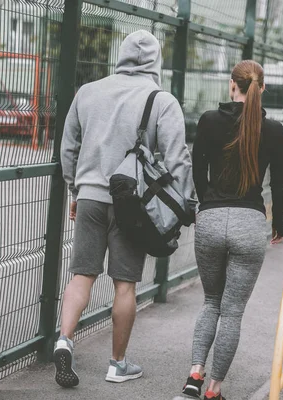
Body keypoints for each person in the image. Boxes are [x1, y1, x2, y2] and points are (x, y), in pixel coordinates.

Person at [55, 30, 194, 388]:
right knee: (125, 285)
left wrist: (76, 187)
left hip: (88, 197)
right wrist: (185, 204)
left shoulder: (88, 92)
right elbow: (177, 158)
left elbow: (68, 147)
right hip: (133, 205)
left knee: (81, 275)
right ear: (156, 61)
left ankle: (64, 339)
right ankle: (117, 364)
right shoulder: (161, 100)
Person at [181, 60, 283, 400]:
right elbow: (280, 184)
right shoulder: (274, 129)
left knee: (211, 301)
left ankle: (195, 374)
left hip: (211, 218)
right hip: (250, 223)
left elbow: (197, 170)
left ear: (232, 85)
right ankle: (214, 391)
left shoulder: (209, 121)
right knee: (232, 311)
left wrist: (205, 204)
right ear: (263, 88)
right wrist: (279, 224)